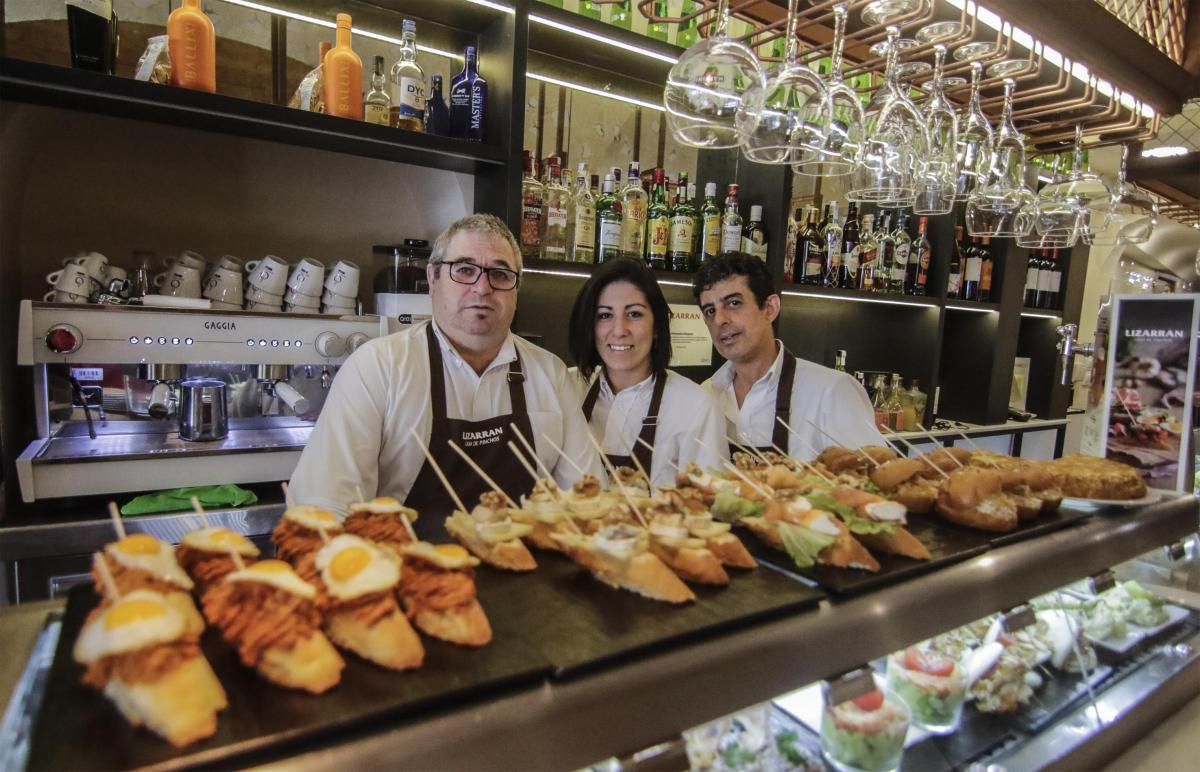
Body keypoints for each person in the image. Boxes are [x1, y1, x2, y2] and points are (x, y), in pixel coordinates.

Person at [289, 214, 603, 532]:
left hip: (524, 573)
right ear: (433, 278)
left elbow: (587, 502)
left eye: (500, 273)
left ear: (516, 290)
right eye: (465, 270)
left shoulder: (551, 374)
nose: (482, 288)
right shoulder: (377, 368)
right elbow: (325, 510)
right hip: (408, 573)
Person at [693, 253, 885, 457]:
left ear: (770, 308)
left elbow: (875, 481)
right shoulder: (706, 394)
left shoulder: (832, 392)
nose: (720, 319)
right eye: (710, 311)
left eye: (733, 303)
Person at [568, 259, 726, 487]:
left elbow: (705, 505)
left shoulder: (696, 406)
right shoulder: (566, 388)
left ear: (657, 327)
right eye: (604, 315)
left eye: (634, 314)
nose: (619, 330)